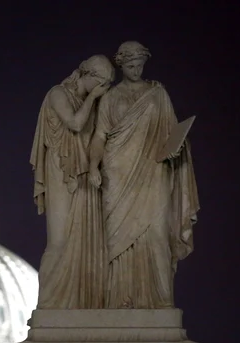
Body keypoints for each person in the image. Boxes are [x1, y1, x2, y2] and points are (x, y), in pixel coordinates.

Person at [89, 41, 200, 309]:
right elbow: (100, 136)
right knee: (116, 240)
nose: (136, 70)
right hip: (117, 174)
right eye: (130, 65)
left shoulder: (158, 95)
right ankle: (119, 300)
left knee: (156, 234)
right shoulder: (111, 98)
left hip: (153, 171)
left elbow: (172, 132)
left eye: (139, 65)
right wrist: (93, 167)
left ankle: (159, 300)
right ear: (121, 65)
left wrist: (178, 147)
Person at [30, 55, 115, 309]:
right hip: (62, 170)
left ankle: (81, 301)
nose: (104, 89)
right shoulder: (58, 93)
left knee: (85, 240)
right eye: (102, 82)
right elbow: (76, 124)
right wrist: (93, 98)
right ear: (87, 75)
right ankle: (50, 304)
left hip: (84, 176)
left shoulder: (93, 103)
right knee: (59, 240)